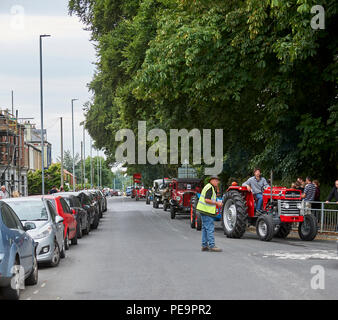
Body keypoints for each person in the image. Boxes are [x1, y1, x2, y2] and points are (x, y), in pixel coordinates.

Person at [196, 175, 223, 252]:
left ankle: (204, 245)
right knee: (210, 228)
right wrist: (217, 203)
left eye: (218, 181)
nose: (217, 182)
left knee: (205, 228)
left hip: (203, 210)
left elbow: (215, 195)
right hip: (206, 211)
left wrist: (217, 188)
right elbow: (207, 200)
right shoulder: (210, 188)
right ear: (212, 180)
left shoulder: (209, 187)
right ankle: (212, 245)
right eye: (216, 181)